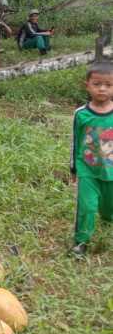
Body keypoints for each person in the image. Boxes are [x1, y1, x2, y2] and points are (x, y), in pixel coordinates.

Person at [70, 62, 113, 257]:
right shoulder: (81, 114)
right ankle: (81, 241)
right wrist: (73, 168)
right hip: (87, 171)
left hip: (110, 171)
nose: (102, 88)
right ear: (87, 85)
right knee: (86, 207)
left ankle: (107, 216)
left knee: (107, 206)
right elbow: (75, 141)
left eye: (108, 84)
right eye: (97, 84)